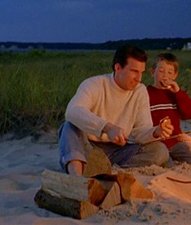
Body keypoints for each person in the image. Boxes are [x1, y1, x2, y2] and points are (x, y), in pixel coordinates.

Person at [58, 45, 173, 176]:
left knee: (159, 150)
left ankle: (110, 170)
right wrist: (108, 128)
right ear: (118, 68)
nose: (139, 78)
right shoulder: (94, 84)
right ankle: (76, 178)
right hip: (88, 147)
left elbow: (140, 131)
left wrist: (156, 132)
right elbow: (72, 111)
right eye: (134, 71)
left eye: (142, 72)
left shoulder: (140, 91)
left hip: (118, 152)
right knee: (69, 127)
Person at [147, 53, 191, 164]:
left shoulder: (174, 94)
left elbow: (190, 113)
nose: (165, 76)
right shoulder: (146, 93)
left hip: (176, 141)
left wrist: (178, 92)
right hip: (157, 142)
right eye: (161, 71)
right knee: (166, 163)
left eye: (169, 73)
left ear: (175, 76)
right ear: (153, 72)